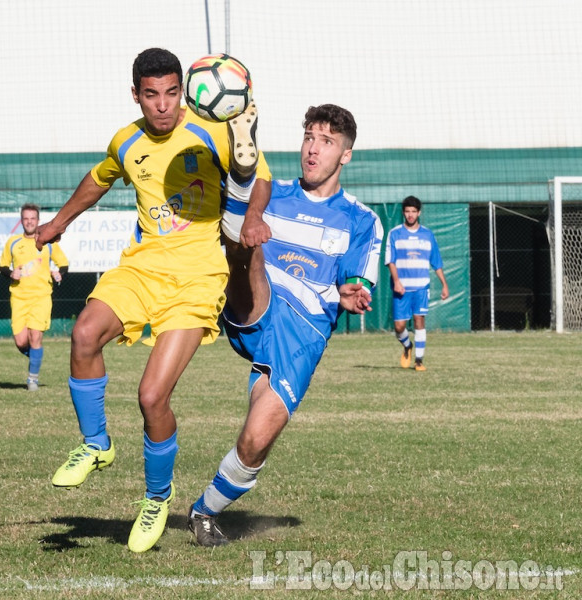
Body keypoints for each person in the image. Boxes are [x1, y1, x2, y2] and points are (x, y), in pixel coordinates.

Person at [33, 47, 271, 553]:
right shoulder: (126, 141)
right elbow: (98, 179)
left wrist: (251, 218)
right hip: (141, 268)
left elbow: (260, 178)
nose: (162, 105)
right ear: (136, 94)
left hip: (198, 278)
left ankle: (156, 499)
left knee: (151, 396)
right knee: (82, 335)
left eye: (171, 93)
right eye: (151, 95)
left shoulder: (216, 128)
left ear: (183, 91)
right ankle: (97, 444)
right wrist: (58, 222)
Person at [187, 104, 384, 547]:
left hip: (303, 336)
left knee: (256, 440)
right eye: (308, 138)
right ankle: (239, 133)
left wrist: (351, 291)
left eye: (326, 142)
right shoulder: (269, 192)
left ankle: (203, 513)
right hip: (258, 302)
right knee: (247, 237)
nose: (313, 150)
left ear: (345, 155)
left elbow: (353, 280)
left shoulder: (362, 220)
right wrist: (247, 224)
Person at [0, 203, 68, 391]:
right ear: (22, 221)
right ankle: (37, 356)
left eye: (33, 219)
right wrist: (11, 273)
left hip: (41, 297)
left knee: (35, 336)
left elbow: (63, 265)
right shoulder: (13, 242)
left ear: (38, 221)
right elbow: (3, 266)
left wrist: (59, 273)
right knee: (21, 342)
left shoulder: (48, 242)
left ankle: (32, 379)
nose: (29, 222)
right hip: (19, 298)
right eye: (26, 218)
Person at [385, 195, 449, 371]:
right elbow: (390, 260)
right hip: (401, 288)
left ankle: (419, 360)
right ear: (404, 213)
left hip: (421, 287)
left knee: (419, 320)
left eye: (414, 211)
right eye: (407, 211)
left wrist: (444, 284)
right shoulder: (395, 234)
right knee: (399, 327)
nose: (410, 215)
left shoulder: (428, 235)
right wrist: (397, 281)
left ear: (419, 212)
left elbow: (436, 261)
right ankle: (407, 346)